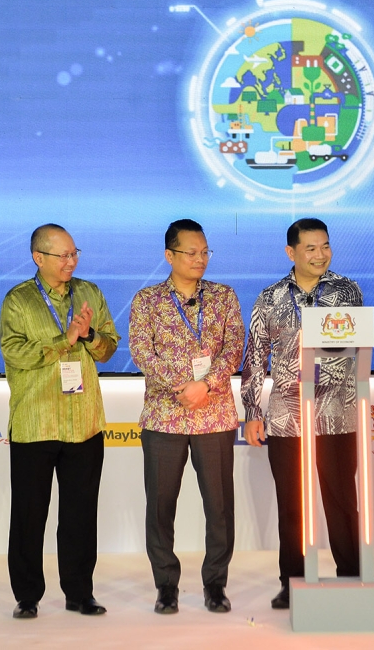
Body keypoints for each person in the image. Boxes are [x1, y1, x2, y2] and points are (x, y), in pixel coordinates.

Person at [0, 223, 120, 619]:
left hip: (84, 422)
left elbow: (109, 348)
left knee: (80, 514)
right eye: (63, 255)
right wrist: (63, 340)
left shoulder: (89, 293)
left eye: (74, 253)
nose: (71, 261)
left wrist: (88, 336)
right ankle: (27, 596)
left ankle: (80, 593)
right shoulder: (18, 301)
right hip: (36, 423)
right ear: (39, 258)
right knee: (29, 515)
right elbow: (15, 353)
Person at [241, 218, 363, 610]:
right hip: (287, 418)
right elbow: (255, 357)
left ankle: (352, 576)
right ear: (291, 252)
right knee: (292, 506)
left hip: (337, 415)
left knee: (342, 501)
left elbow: (357, 348)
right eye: (311, 248)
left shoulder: (347, 291)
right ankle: (291, 581)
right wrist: (252, 410)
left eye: (325, 246)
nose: (320, 255)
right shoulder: (270, 298)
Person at [129, 219, 245, 615]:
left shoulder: (224, 296)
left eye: (205, 252)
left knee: (220, 506)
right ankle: (166, 586)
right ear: (169, 255)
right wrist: (183, 387)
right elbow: (142, 352)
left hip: (214, 416)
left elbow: (234, 348)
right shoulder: (147, 300)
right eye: (191, 252)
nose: (200, 259)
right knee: (160, 507)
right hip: (165, 417)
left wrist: (206, 385)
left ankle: (215, 584)